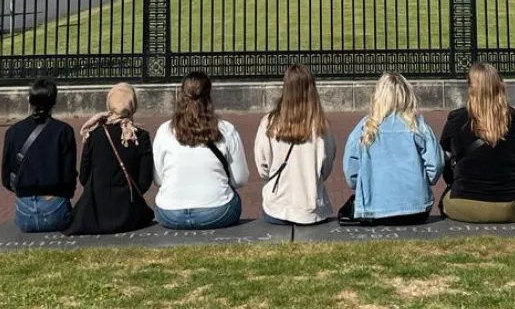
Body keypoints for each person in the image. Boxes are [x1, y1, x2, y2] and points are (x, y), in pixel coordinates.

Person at [341, 72, 442, 225]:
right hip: (417, 209)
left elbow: (351, 169)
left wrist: (362, 184)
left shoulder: (364, 128)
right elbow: (436, 164)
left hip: (375, 209)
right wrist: (424, 181)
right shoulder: (418, 126)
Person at [152, 71, 249, 229]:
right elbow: (240, 179)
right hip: (217, 212)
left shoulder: (165, 130)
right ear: (209, 95)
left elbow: (158, 179)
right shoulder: (226, 129)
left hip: (170, 213)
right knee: (233, 198)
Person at [439, 62, 515, 223]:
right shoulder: (514, 120)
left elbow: (445, 160)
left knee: (446, 199)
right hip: (510, 205)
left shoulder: (456, 119)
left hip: (464, 202)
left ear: (471, 88)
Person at [65, 83, 154, 235]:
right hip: (128, 212)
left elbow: (84, 177)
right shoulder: (140, 137)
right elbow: (144, 182)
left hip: (95, 212)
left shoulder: (94, 135)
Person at [254, 65, 337, 226]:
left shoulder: (269, 123)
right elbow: (326, 166)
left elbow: (263, 167)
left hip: (277, 208)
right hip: (311, 210)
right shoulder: (321, 126)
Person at [0, 77, 77, 232]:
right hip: (54, 205)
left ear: (30, 101)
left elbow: (7, 177)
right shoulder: (63, 131)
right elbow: (69, 176)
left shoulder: (13, 132)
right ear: (54, 102)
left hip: (24, 211)